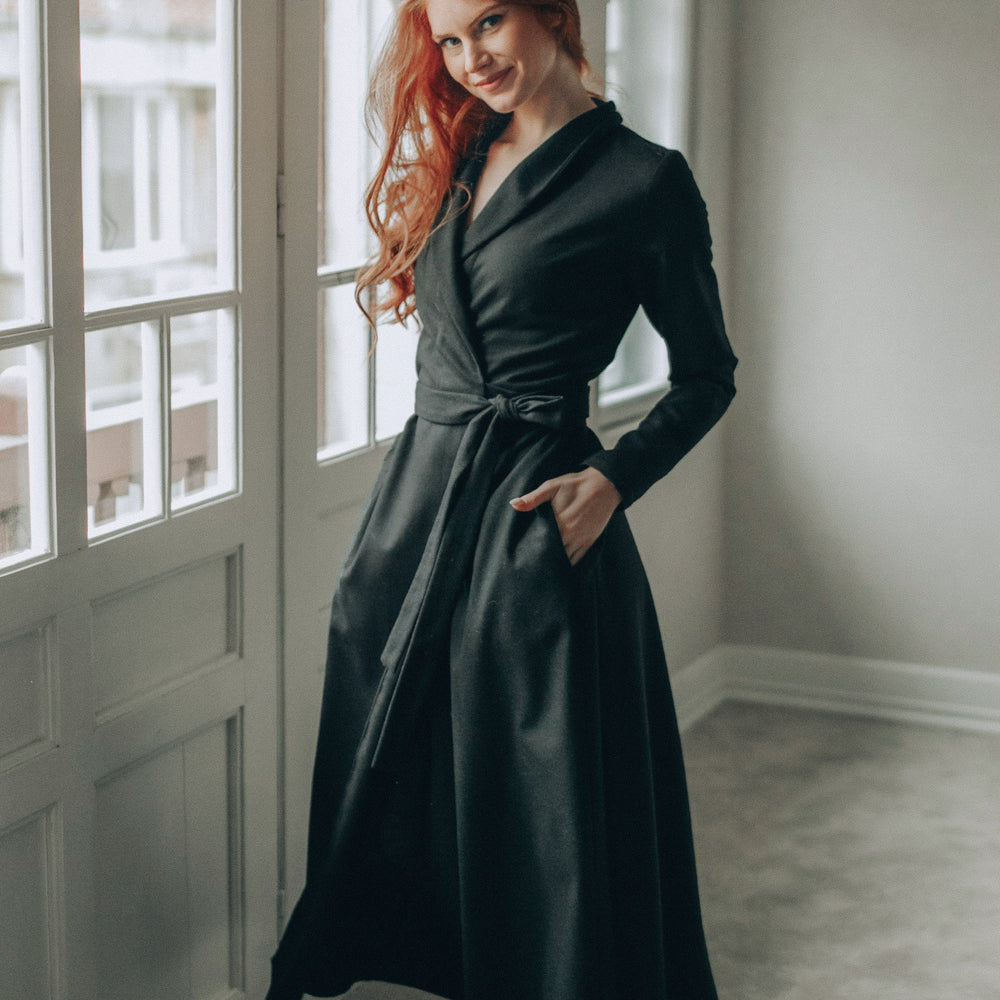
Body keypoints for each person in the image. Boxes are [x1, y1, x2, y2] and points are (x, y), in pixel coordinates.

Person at [267, 0, 736, 997]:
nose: (467, 58)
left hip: (534, 520)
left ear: (552, 16)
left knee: (538, 800)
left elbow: (706, 375)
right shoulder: (461, 153)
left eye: (486, 23)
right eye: (446, 39)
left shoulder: (644, 180)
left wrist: (612, 479)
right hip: (410, 514)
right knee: (395, 780)